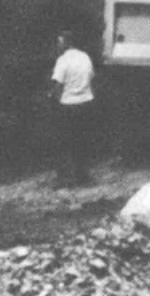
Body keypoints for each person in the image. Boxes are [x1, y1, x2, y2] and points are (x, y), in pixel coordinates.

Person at [48, 28, 97, 187]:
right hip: (86, 103)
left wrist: (52, 99)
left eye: (60, 42)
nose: (58, 45)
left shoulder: (62, 61)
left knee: (63, 143)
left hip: (68, 105)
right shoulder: (85, 58)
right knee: (82, 141)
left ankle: (64, 178)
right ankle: (83, 176)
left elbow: (58, 85)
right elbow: (91, 78)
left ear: (67, 43)